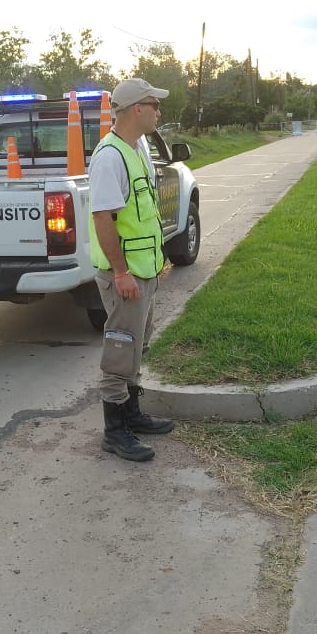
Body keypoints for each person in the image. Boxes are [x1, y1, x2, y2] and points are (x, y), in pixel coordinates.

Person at [88, 78, 175, 462]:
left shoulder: (136, 148)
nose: (159, 111)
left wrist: (156, 262)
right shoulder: (110, 156)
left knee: (137, 345)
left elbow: (143, 216)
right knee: (120, 349)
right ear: (136, 108)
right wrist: (121, 273)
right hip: (125, 276)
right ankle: (114, 431)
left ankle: (133, 415)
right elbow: (104, 220)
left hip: (145, 271)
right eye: (154, 105)